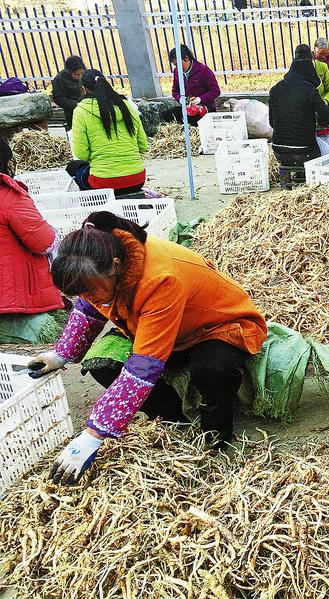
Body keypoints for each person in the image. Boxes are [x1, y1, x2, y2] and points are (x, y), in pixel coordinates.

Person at [27, 211, 268, 485]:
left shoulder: (160, 279)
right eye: (80, 293)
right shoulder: (99, 262)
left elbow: (143, 367)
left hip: (214, 326)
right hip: (157, 327)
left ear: (115, 266)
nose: (87, 297)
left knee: (212, 369)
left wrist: (93, 435)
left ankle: (214, 438)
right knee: (102, 363)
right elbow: (89, 308)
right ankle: (173, 420)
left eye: (90, 291)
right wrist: (60, 355)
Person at [0, 138, 65, 344]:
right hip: (13, 299)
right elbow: (43, 242)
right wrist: (55, 234)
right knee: (47, 331)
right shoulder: (10, 197)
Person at [67, 70, 148, 195]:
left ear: (84, 89)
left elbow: (82, 154)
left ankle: (96, 203)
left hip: (104, 183)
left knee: (72, 167)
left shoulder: (81, 111)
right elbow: (143, 146)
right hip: (136, 179)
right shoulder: (126, 106)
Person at [269, 46, 329, 165]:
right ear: (310, 68)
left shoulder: (275, 89)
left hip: (279, 152)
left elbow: (272, 123)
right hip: (305, 152)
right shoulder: (309, 90)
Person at [161, 45, 221, 126]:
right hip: (188, 108)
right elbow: (175, 91)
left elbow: (216, 91)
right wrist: (181, 99)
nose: (178, 67)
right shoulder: (177, 72)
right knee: (166, 115)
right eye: (175, 65)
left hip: (205, 108)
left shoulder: (203, 70)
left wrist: (199, 99)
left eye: (179, 64)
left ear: (186, 58)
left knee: (195, 121)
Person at [51, 56, 86, 132]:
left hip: (86, 109)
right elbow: (58, 98)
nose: (79, 76)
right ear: (69, 72)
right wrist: (77, 105)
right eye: (76, 74)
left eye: (81, 73)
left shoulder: (85, 76)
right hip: (72, 113)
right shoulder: (60, 79)